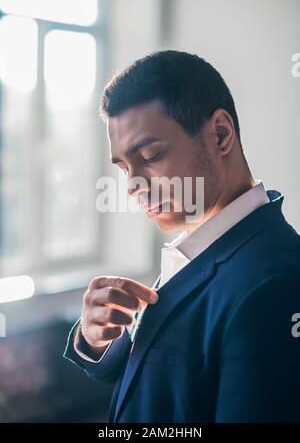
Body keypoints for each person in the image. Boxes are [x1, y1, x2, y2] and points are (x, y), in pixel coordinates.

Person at [64, 50, 300, 422]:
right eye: (125, 166)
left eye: (152, 155)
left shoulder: (277, 283)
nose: (133, 185)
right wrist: (99, 340)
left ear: (220, 134)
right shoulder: (204, 242)